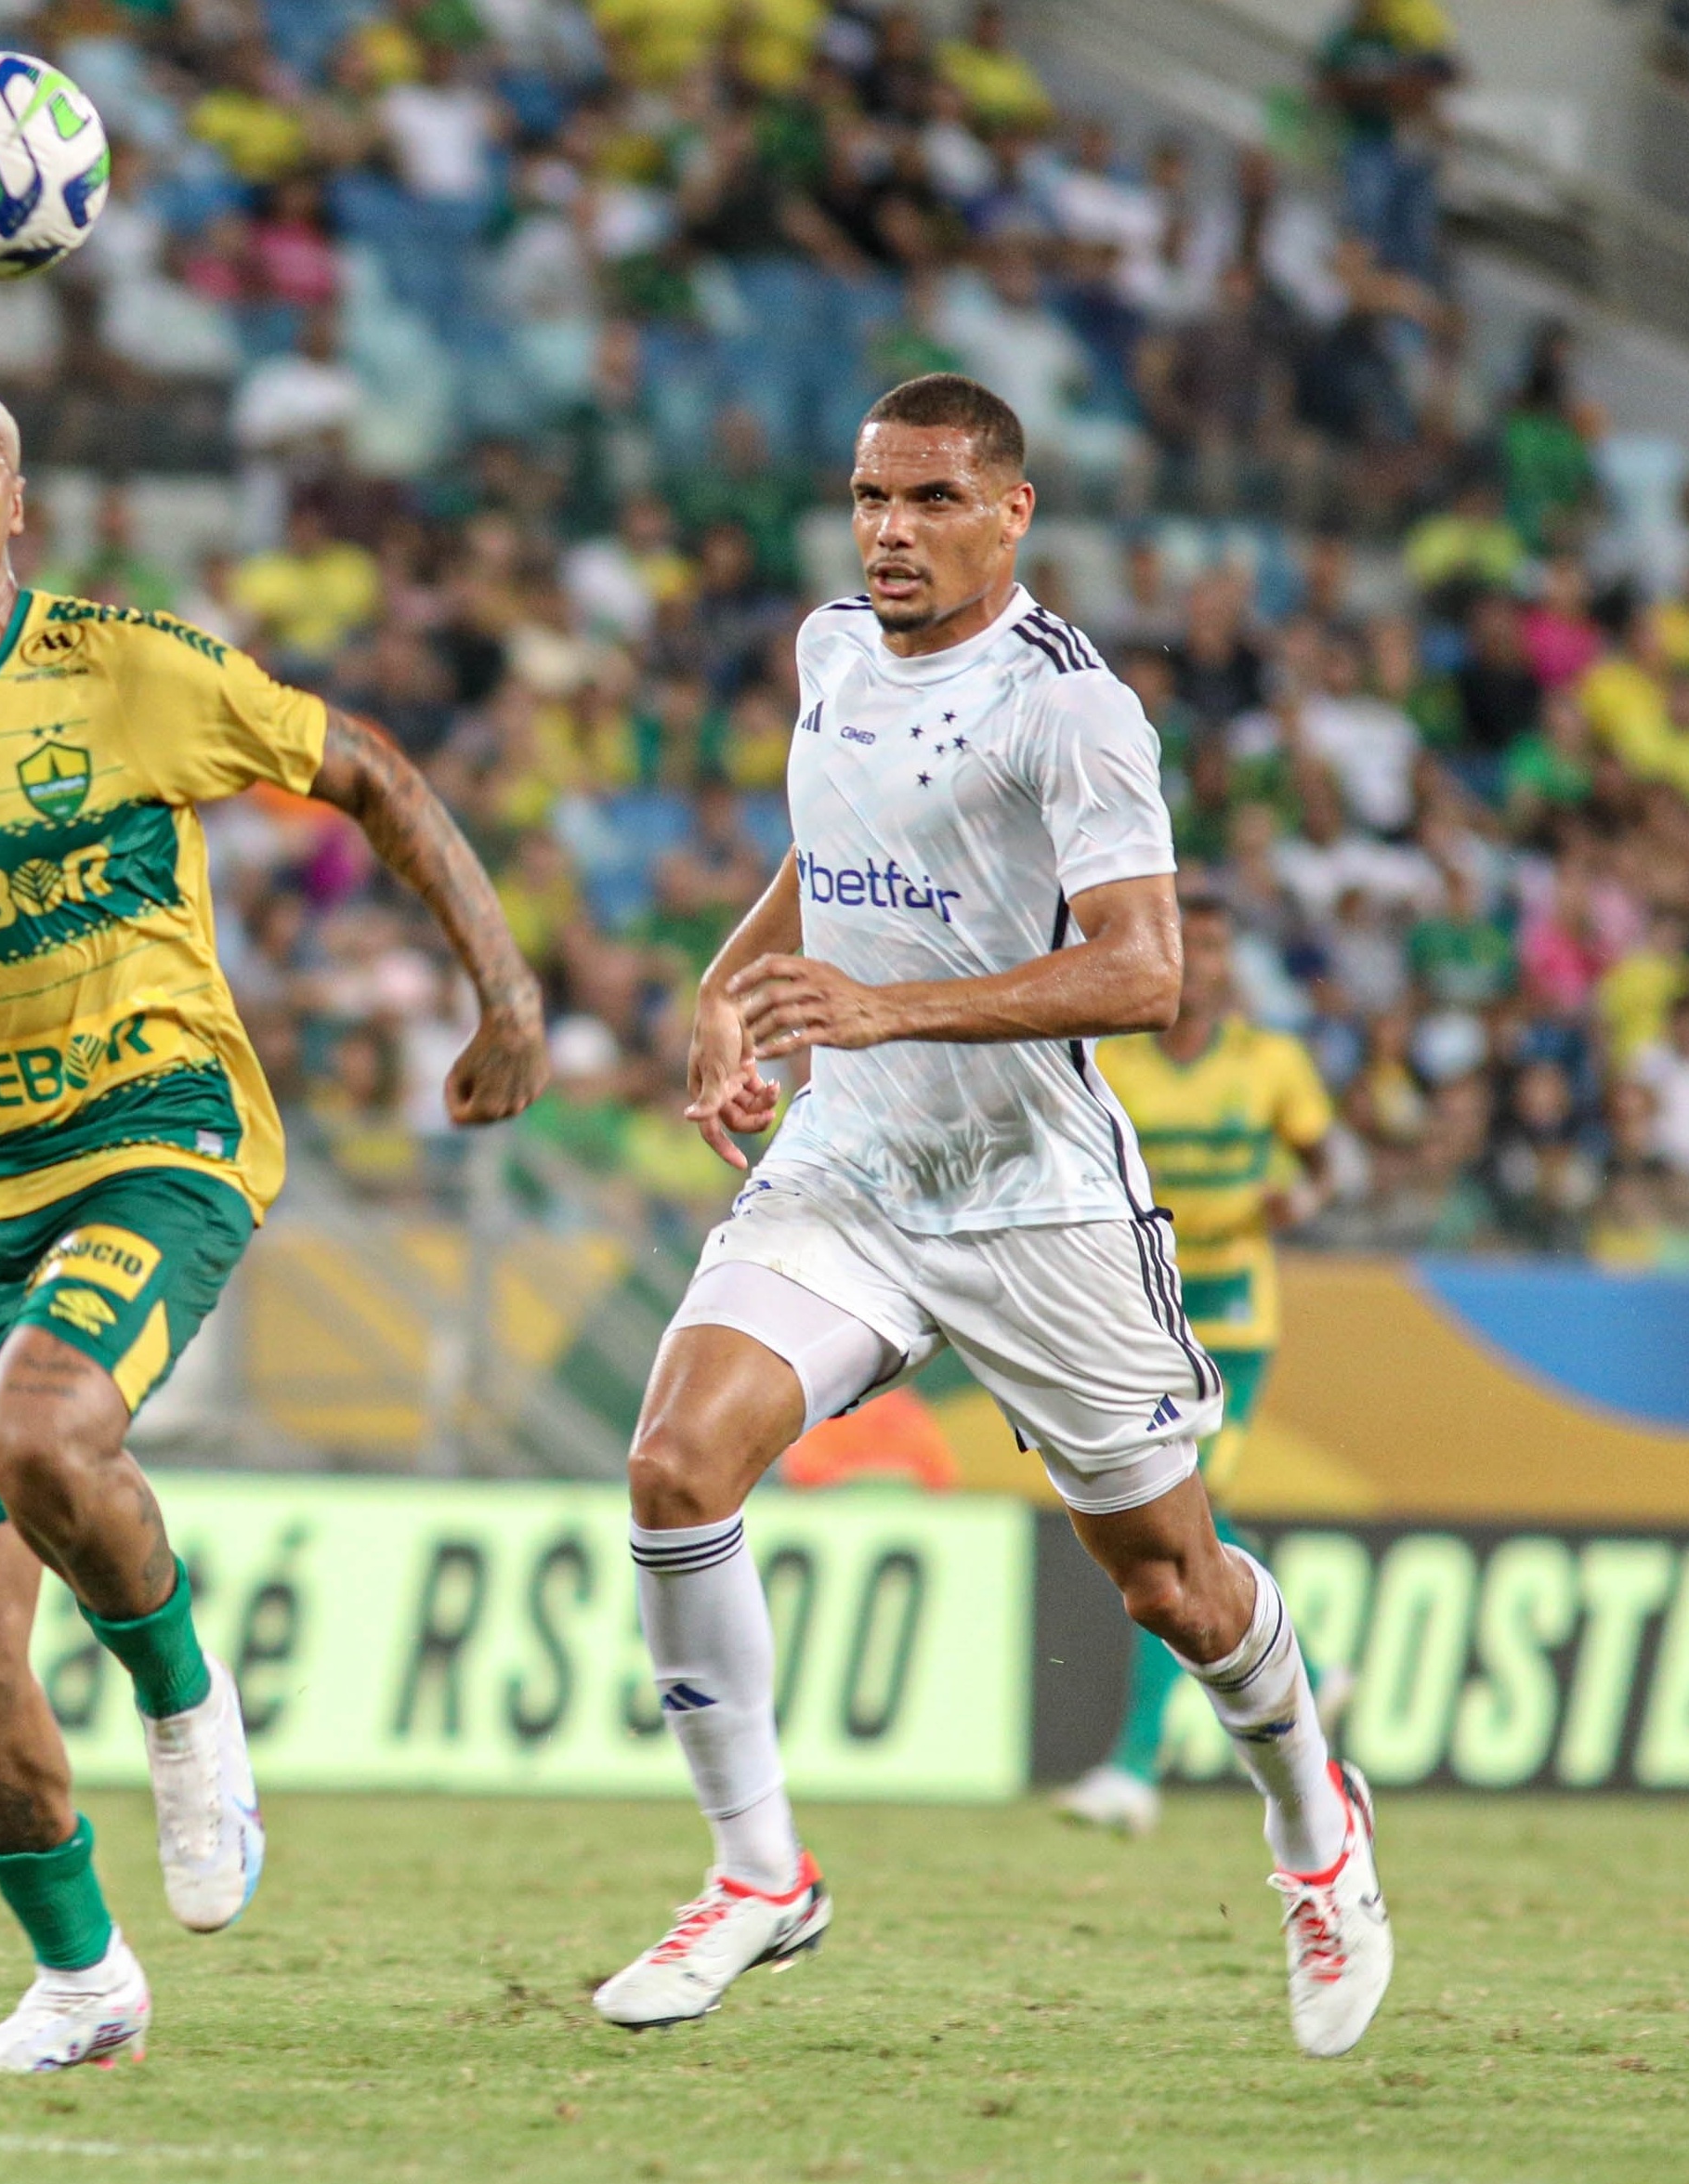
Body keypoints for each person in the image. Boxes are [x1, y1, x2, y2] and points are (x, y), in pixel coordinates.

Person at [0, 372, 546, 2073]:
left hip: (165, 1127)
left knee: (42, 1427)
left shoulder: (126, 669)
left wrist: (506, 992)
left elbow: (367, 771)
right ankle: (84, 1988)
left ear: (17, 506)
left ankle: (180, 1698)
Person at [592, 375, 1391, 2060]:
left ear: (1009, 513)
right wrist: (724, 996)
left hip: (1033, 1202)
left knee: (1171, 1585)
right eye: (872, 497)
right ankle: (757, 1877)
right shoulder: (825, 654)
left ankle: (1312, 1824)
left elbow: (1141, 970)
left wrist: (882, 1011)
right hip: (853, 1173)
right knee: (671, 1462)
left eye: (932, 500)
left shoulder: (1070, 711)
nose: (891, 530)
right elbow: (828, 858)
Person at [1055, 890, 1348, 1835]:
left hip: (1232, 1316)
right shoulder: (1119, 1063)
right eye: (1191, 942)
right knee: (1180, 1522)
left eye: (1219, 944)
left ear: (1230, 964)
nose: (1204, 960)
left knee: (1186, 1514)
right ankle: (1311, 1662)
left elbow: (1322, 1160)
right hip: (1145, 1311)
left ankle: (1133, 1767)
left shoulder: (1271, 1063)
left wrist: (1301, 1199)